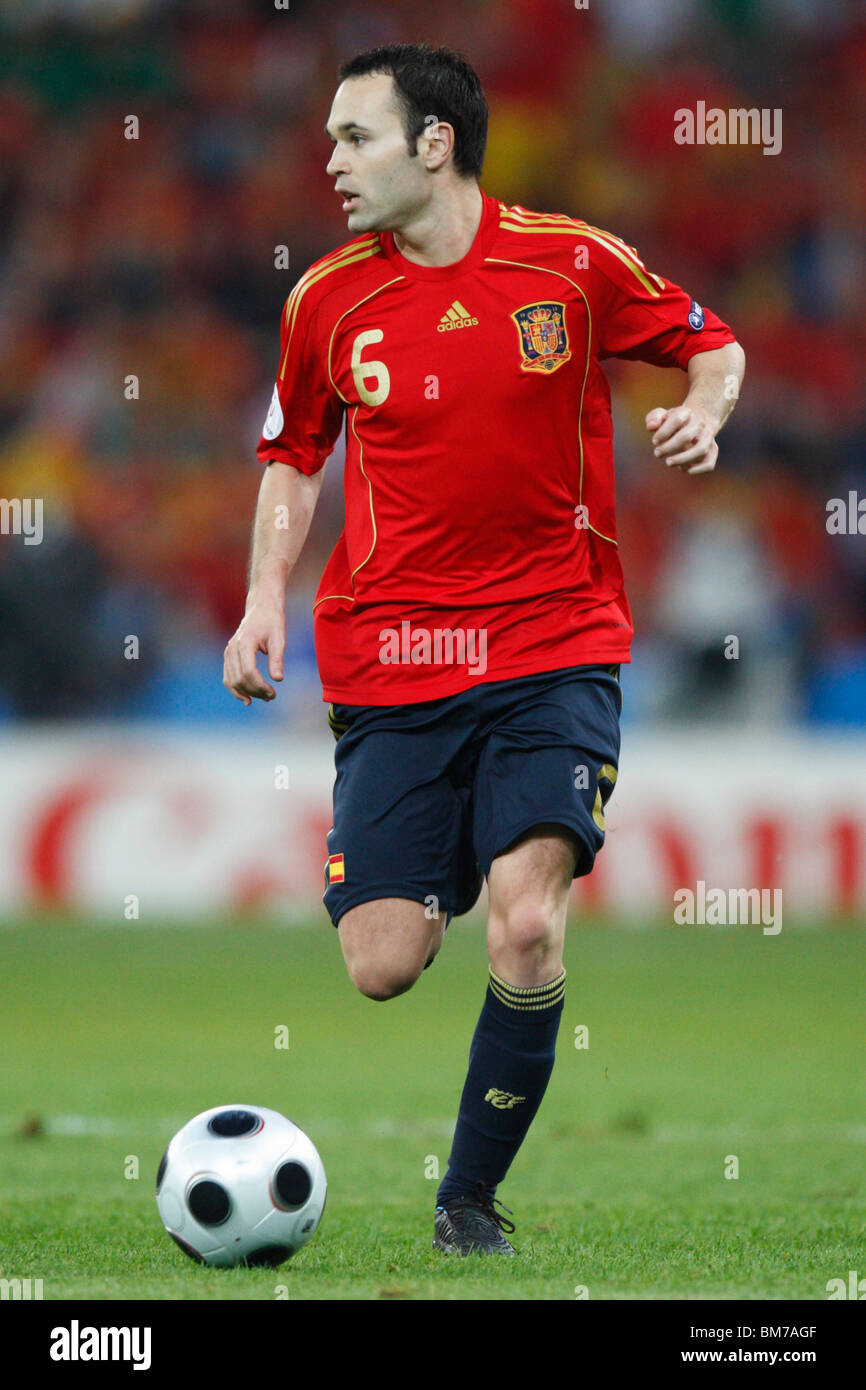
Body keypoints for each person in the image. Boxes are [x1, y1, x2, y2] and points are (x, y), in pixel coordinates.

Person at [223, 43, 745, 1256]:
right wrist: (261, 604)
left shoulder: (568, 263)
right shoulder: (325, 301)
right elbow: (292, 454)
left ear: (434, 143)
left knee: (525, 925)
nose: (329, 161)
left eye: (354, 137)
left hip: (552, 641)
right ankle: (457, 849)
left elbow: (709, 343)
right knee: (381, 961)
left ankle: (466, 1201)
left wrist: (702, 414)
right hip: (391, 657)